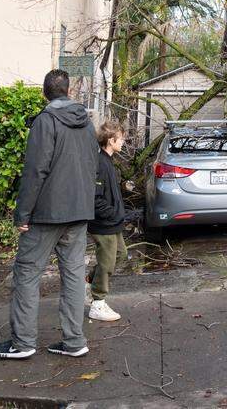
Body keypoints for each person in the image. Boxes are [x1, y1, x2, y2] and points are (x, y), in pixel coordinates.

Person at [0, 70, 98, 360]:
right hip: (79, 211)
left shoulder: (45, 121)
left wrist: (22, 214)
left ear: (44, 93)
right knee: (73, 275)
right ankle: (75, 342)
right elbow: (92, 165)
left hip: (47, 213)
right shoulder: (87, 123)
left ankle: (22, 342)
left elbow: (35, 171)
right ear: (69, 90)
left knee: (26, 272)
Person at [87, 120, 128, 322]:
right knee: (107, 262)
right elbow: (95, 198)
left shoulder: (109, 161)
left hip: (112, 222)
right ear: (111, 140)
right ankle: (98, 303)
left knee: (121, 254)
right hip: (103, 223)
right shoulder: (99, 163)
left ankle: (91, 281)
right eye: (121, 139)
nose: (123, 142)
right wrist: (112, 213)